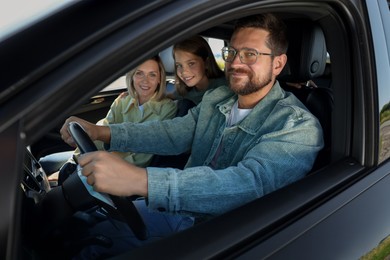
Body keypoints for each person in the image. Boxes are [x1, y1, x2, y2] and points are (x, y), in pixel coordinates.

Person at [60, 13, 324, 258]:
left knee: (95, 248)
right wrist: (100, 131)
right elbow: (173, 133)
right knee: (87, 229)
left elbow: (248, 184)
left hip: (222, 237)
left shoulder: (298, 126)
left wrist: (143, 181)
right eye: (232, 51)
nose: (235, 63)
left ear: (278, 63)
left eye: (250, 54)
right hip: (179, 211)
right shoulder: (217, 97)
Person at [40, 56, 177, 180]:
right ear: (132, 76)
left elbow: (142, 158)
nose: (145, 81)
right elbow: (100, 134)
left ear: (160, 79)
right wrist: (74, 161)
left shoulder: (167, 108)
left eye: (152, 75)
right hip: (100, 160)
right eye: (139, 73)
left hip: (122, 174)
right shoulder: (121, 101)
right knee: (44, 163)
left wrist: (98, 166)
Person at [169, 35, 227, 116]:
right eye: (179, 65)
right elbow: (170, 97)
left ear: (206, 63)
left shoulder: (223, 88)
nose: (184, 72)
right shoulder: (185, 91)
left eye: (191, 63)